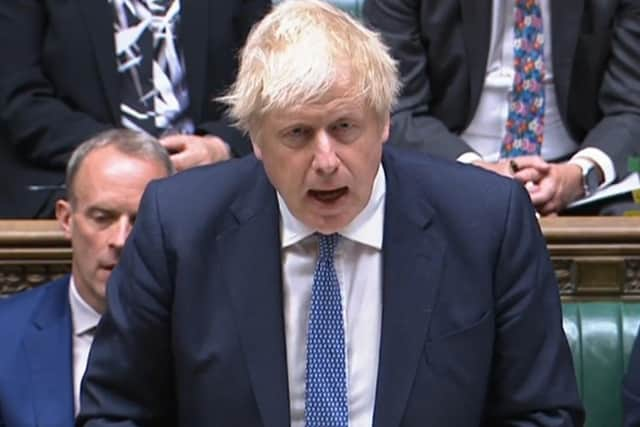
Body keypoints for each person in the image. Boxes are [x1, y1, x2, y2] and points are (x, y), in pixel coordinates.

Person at [78, 1, 583, 426]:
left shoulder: (487, 222)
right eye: (297, 134)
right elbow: (117, 413)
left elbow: (543, 412)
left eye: (345, 127)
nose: (325, 161)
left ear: (384, 122)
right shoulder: (179, 226)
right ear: (254, 138)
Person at [363, 0, 640, 215]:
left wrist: (580, 174)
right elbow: (395, 108)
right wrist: (471, 171)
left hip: (580, 178)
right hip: (447, 164)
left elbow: (631, 106)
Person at [0, 0, 270, 219]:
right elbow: (20, 98)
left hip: (210, 184)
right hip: (68, 184)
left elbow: (269, 88)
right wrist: (118, 156)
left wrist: (220, 145)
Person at [0, 129, 173, 426]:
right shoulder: (5, 334)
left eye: (141, 219)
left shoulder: (207, 336)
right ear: (66, 219)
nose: (120, 240)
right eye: (102, 217)